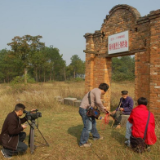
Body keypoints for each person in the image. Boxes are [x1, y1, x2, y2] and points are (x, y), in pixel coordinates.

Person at [79, 83, 109, 147]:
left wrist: (104, 110)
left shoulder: (95, 90)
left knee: (93, 124)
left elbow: (96, 103)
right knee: (88, 127)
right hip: (85, 110)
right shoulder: (98, 91)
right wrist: (103, 108)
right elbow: (98, 102)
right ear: (104, 90)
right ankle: (83, 143)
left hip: (89, 110)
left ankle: (96, 137)